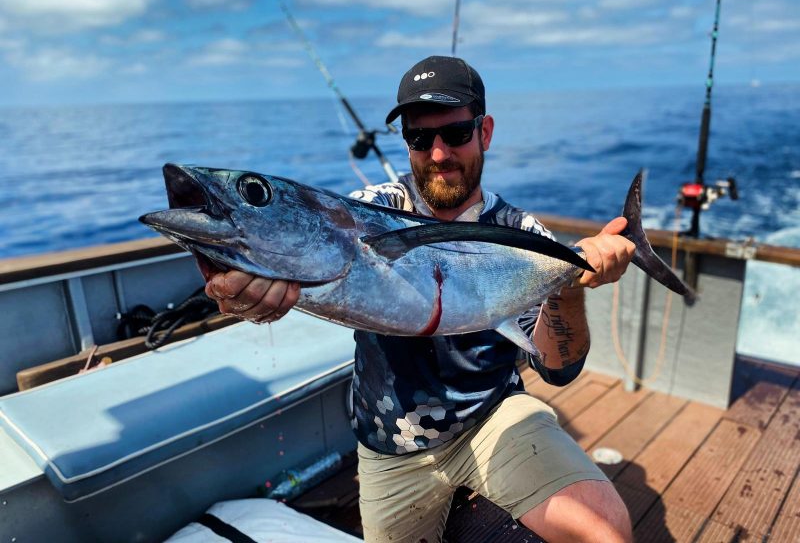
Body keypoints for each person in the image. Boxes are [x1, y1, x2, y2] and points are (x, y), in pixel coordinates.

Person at [205, 56, 635, 543]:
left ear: (485, 132)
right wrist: (252, 298)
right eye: (418, 138)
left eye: (454, 134)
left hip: (492, 416)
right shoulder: (373, 209)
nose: (437, 154)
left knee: (606, 531)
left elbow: (560, 370)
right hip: (390, 442)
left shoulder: (523, 235)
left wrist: (570, 287)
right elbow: (320, 261)